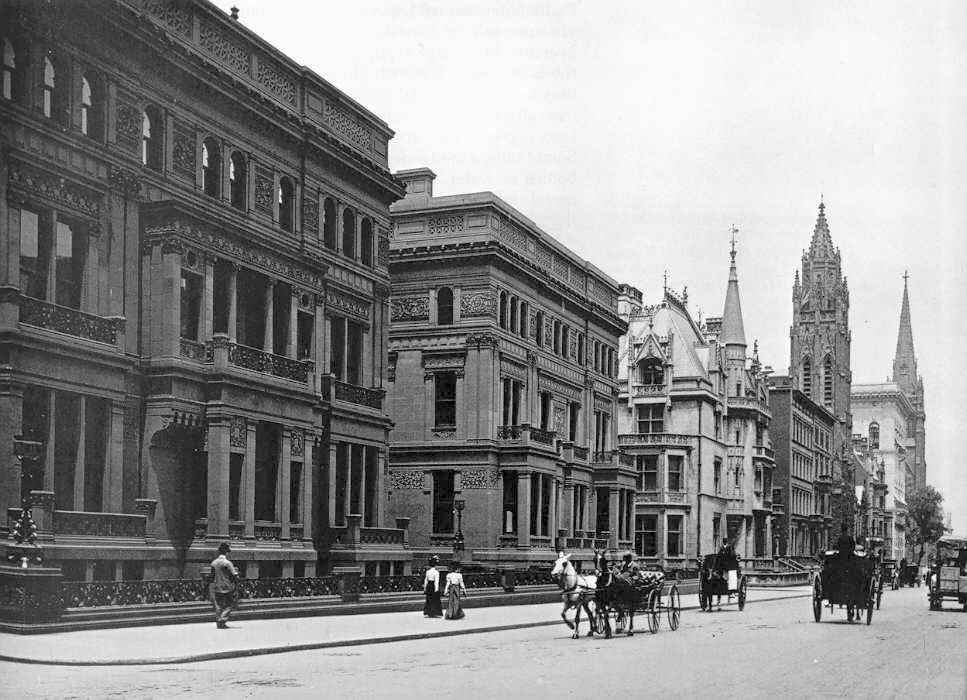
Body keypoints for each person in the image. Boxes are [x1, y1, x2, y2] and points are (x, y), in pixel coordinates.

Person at [210, 542, 238, 629]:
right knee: (230, 604)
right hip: (227, 586)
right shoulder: (227, 563)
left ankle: (219, 620)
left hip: (217, 586)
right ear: (226, 552)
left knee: (218, 604)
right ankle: (223, 619)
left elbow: (212, 576)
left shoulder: (214, 563)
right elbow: (234, 575)